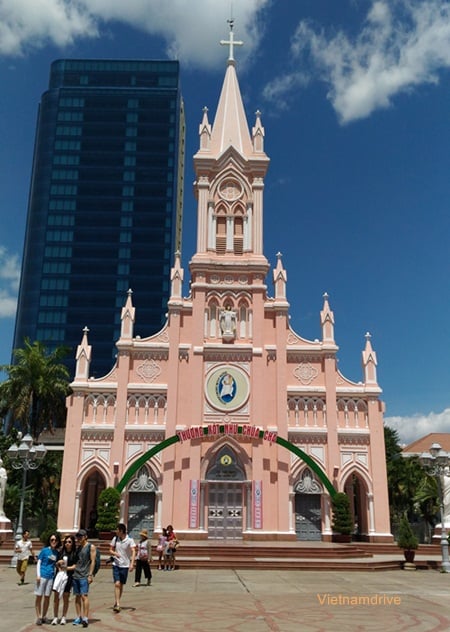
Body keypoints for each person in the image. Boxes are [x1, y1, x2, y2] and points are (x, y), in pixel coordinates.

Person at [109, 523, 136, 613]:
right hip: (116, 564)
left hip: (125, 565)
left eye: (117, 530)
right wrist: (114, 553)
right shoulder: (115, 539)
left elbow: (133, 551)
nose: (116, 531)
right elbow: (110, 549)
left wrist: (132, 564)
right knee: (117, 583)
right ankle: (118, 604)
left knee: (121, 585)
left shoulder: (130, 540)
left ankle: (117, 601)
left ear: (121, 531)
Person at [35, 533, 60, 626]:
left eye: (55, 540)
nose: (53, 542)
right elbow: (39, 562)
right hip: (42, 575)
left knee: (47, 597)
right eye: (52, 540)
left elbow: (56, 564)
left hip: (50, 577)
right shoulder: (45, 550)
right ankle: (39, 616)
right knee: (39, 596)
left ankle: (44, 616)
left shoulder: (56, 553)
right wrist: (38, 575)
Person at [72, 529, 96, 628]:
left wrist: (90, 575)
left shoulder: (91, 547)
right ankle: (79, 616)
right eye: (77, 537)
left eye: (80, 537)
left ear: (85, 536)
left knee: (84, 596)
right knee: (77, 596)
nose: (79, 539)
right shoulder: (78, 548)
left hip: (84, 575)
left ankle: (85, 617)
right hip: (76, 575)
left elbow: (93, 561)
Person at [51, 534, 77, 625]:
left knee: (66, 597)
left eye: (69, 542)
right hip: (59, 576)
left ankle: (63, 617)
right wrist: (58, 563)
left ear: (73, 543)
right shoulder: (61, 552)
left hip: (68, 577)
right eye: (66, 542)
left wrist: (67, 568)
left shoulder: (74, 553)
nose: (67, 544)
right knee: (56, 597)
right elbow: (56, 564)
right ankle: (55, 617)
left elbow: (75, 566)